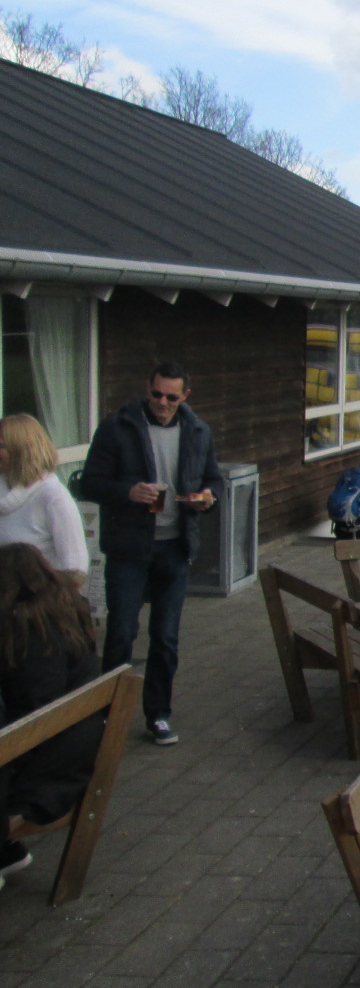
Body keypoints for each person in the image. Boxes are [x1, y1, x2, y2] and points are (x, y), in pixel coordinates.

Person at [80, 361, 223, 747]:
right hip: (129, 548)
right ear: (148, 388)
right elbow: (89, 483)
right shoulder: (118, 426)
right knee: (122, 632)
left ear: (185, 396)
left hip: (174, 548)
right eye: (157, 394)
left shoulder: (198, 430)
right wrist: (127, 492)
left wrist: (207, 497)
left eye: (171, 397)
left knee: (165, 636)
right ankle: (107, 714)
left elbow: (214, 479)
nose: (162, 402)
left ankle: (158, 715)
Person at [0, 544, 104, 890]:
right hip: (69, 751)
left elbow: (34, 714)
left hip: (46, 769)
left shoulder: (32, 632)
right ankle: (8, 854)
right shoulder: (64, 613)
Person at [0, 415, 88, 584]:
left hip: (37, 597)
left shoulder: (54, 497)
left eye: (1, 446)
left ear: (20, 450)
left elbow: (75, 568)